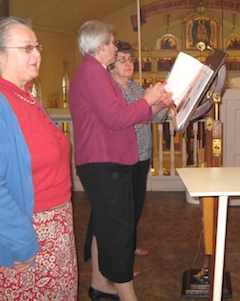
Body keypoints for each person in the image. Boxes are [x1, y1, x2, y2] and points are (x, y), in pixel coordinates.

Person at [0, 17, 77, 300]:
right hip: (21, 236)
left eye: (37, 46)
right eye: (26, 48)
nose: (37, 54)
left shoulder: (22, 95)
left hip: (52, 229)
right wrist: (22, 243)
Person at [69, 21, 171, 301]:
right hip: (103, 161)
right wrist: (148, 98)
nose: (116, 46)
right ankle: (128, 296)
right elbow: (116, 119)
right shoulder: (92, 72)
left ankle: (100, 284)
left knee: (108, 224)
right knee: (119, 229)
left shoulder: (97, 72)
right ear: (102, 47)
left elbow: (128, 114)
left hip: (110, 160)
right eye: (113, 43)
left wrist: (157, 103)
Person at [108, 41, 168, 269]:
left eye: (130, 59)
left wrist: (163, 104)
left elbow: (152, 117)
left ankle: (130, 244)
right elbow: (131, 116)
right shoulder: (112, 90)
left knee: (136, 205)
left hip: (142, 154)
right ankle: (121, 262)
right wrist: (150, 102)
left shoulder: (135, 87)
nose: (128, 64)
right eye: (122, 60)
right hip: (123, 156)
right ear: (111, 65)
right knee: (124, 209)